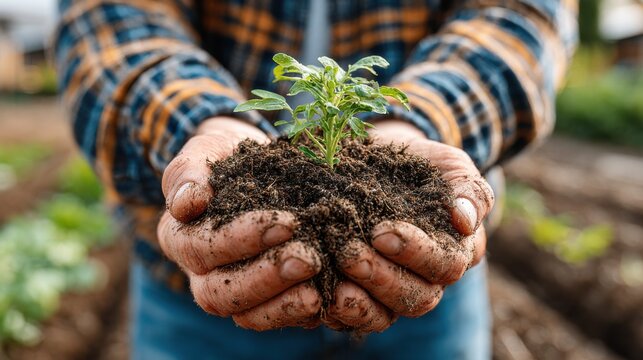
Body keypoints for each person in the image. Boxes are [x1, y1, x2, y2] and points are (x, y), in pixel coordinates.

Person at [54, 1, 577, 358]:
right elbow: (109, 21)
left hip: (422, 285)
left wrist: (416, 124)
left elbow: (520, 14)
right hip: (198, 291)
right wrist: (202, 121)